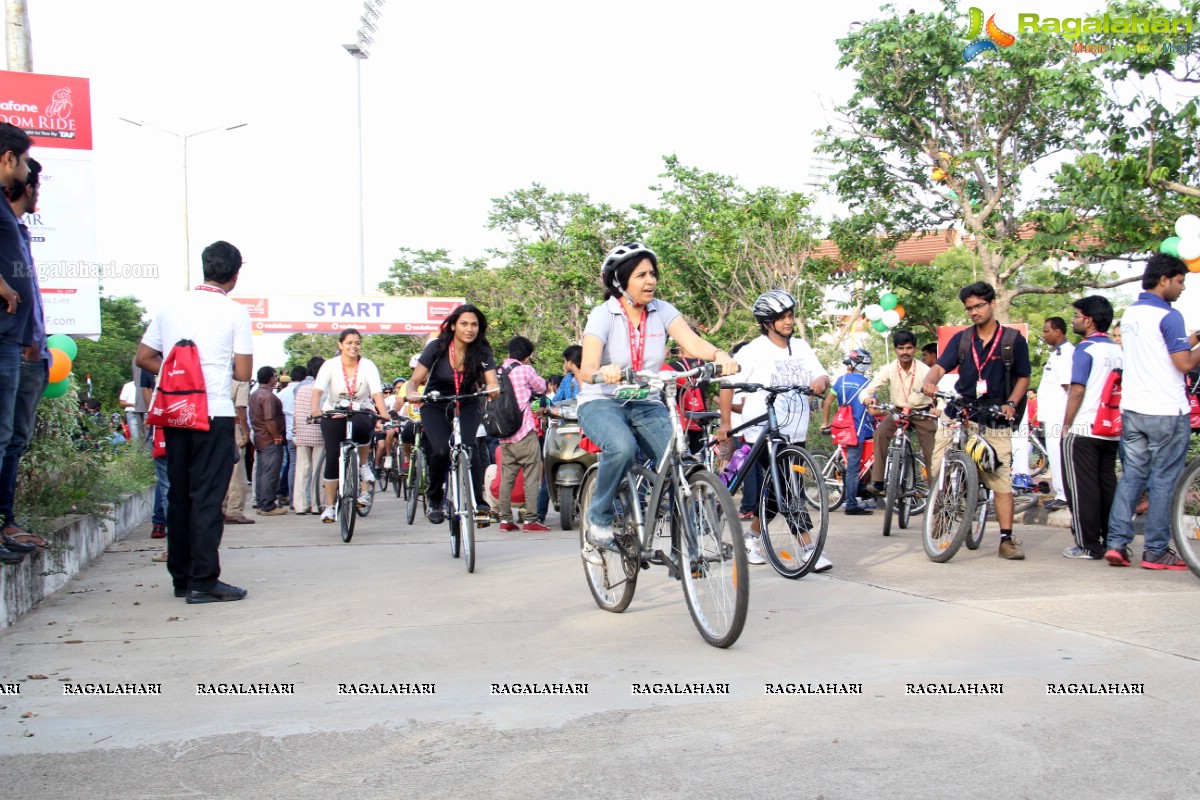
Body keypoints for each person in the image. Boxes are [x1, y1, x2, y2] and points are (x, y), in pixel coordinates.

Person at [579, 242, 737, 565]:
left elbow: (691, 342)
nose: (650, 281)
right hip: (602, 401)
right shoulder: (603, 315)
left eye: (653, 274)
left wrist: (719, 355)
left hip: (646, 400)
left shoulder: (662, 310)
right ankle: (599, 519)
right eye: (641, 275)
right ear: (621, 282)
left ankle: (684, 551)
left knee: (680, 462)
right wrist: (603, 372)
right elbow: (587, 368)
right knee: (621, 447)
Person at [136, 240, 253, 603]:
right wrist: (205, 376)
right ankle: (204, 580)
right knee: (207, 498)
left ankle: (181, 579)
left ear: (205, 267)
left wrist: (178, 375)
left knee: (179, 497)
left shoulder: (170, 307)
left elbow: (144, 357)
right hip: (213, 413)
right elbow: (244, 371)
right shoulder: (235, 312)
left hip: (175, 415)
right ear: (235, 274)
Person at [717, 290, 828, 567]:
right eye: (781, 318)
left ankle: (751, 538)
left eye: (790, 316)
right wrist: (726, 423)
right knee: (790, 491)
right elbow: (727, 383)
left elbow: (821, 373)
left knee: (778, 495)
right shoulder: (752, 350)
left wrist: (820, 381)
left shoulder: (801, 347)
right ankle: (808, 549)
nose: (788, 321)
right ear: (768, 322)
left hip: (796, 432)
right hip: (766, 433)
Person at [922, 282, 1031, 560]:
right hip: (961, 411)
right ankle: (943, 512)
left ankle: (1006, 540)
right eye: (969, 308)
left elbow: (1024, 377)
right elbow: (939, 366)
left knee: (1000, 477)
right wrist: (930, 380)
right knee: (939, 462)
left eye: (979, 306)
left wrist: (1011, 403)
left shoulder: (1012, 340)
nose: (973, 312)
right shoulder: (962, 339)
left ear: (992, 304)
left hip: (995, 415)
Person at [1105, 254, 1200, 570]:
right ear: (1165, 280)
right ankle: (1156, 550)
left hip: (1134, 408)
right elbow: (1184, 363)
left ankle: (1117, 544)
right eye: (1180, 281)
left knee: (1132, 477)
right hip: (1167, 410)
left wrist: (1194, 340)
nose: (1182, 288)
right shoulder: (1170, 315)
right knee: (1164, 481)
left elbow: (1161, 350)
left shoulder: (1131, 314)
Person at [403, 306, 499, 525]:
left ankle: (478, 501)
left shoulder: (482, 350)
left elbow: (491, 379)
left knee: (470, 446)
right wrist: (412, 393)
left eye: (474, 324)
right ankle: (435, 499)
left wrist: (493, 387)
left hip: (467, 402)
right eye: (464, 324)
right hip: (436, 404)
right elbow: (414, 381)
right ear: (454, 325)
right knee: (440, 449)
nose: (470, 329)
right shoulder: (437, 347)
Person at [1, 156, 50, 552]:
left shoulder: (19, 230)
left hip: (30, 349)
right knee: (5, 439)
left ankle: (8, 520)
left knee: (15, 441)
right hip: (14, 348)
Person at [1061, 296, 1121, 560]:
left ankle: (1087, 544)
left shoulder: (1084, 349)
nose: (1073, 319)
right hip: (1111, 429)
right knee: (1107, 486)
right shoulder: (1119, 350)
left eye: (1076, 315)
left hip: (1084, 428)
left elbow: (1077, 389)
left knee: (1082, 488)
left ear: (1088, 319)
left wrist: (1066, 424)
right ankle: (1112, 539)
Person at [310, 329, 390, 523]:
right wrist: (315, 409)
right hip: (333, 411)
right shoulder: (330, 365)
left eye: (357, 342)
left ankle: (363, 466)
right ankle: (329, 507)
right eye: (349, 343)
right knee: (331, 457)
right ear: (340, 345)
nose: (353, 346)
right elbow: (318, 390)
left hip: (360, 409)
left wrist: (383, 412)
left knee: (363, 426)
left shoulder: (368, 366)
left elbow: (377, 393)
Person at [0, 123, 35, 563]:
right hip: (3, 338)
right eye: (24, 160)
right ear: (8, 158)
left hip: (12, 339)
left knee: (8, 437)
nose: (25, 170)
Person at [859, 329, 936, 500]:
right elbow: (869, 389)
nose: (905, 352)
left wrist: (939, 407)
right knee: (880, 433)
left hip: (921, 412)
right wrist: (866, 399)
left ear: (914, 349)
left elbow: (939, 392)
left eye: (909, 348)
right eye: (901, 348)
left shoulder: (924, 370)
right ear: (895, 350)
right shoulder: (889, 368)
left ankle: (935, 494)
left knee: (931, 451)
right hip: (899, 411)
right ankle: (878, 481)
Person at [496, 336, 549, 532]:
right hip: (525, 432)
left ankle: (505, 520)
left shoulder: (497, 371)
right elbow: (542, 387)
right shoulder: (525, 370)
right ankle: (531, 520)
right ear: (527, 356)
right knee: (531, 477)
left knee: (507, 478)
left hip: (504, 434)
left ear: (509, 353)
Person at [821, 349, 876, 516]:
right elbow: (873, 410)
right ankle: (851, 503)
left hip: (844, 429)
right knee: (854, 468)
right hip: (861, 431)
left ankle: (858, 496)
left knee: (855, 466)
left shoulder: (841, 381)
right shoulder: (869, 385)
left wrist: (825, 422)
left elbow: (828, 402)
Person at [1039, 317, 1074, 511]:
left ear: (1057, 332)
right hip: (1054, 415)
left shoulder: (1064, 354)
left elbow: (1069, 387)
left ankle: (1063, 495)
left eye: (1046, 331)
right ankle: (1061, 493)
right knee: (1055, 456)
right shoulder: (1059, 353)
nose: (1044, 335)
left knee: (1058, 456)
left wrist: (1067, 420)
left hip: (1059, 416)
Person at [250, 366, 287, 516]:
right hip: (269, 438)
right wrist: (276, 435)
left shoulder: (255, 394)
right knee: (270, 473)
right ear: (271, 378)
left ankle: (261, 502)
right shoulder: (268, 396)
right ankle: (267, 505)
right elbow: (269, 418)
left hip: (259, 437)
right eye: (275, 376)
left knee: (261, 472)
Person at [292, 356, 324, 515]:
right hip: (319, 434)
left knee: (302, 471)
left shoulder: (300, 389)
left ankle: (300, 505)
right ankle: (317, 505)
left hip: (302, 433)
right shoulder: (324, 390)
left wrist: (295, 431)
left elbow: (295, 413)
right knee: (318, 471)